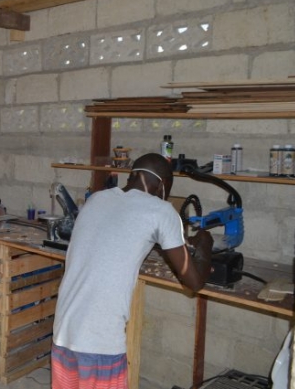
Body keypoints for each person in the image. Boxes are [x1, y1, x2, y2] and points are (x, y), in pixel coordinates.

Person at [51, 153, 213, 389]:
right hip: (99, 342)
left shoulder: (96, 198)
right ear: (162, 186)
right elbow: (195, 282)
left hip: (64, 333)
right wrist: (205, 242)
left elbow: (122, 234)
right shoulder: (162, 211)